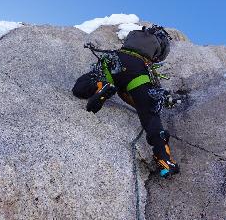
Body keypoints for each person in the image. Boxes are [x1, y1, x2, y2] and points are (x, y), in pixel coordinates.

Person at [72, 25, 180, 178]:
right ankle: (164, 159)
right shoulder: (154, 52)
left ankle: (100, 85)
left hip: (114, 61)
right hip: (138, 72)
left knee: (82, 84)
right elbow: (147, 97)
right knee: (150, 115)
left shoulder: (133, 36)